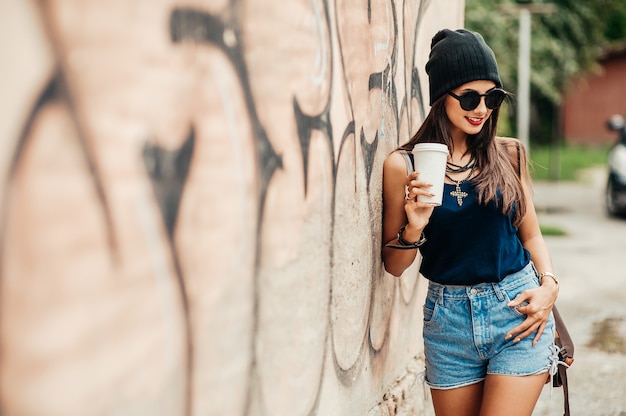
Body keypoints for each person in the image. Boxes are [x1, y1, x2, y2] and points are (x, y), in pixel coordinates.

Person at [382, 29, 560, 416]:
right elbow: (393, 266)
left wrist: (549, 286)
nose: (482, 108)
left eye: (492, 96)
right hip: (448, 324)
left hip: (516, 310)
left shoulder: (509, 155)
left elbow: (531, 236)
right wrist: (414, 226)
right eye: (469, 97)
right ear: (440, 96)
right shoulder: (403, 165)